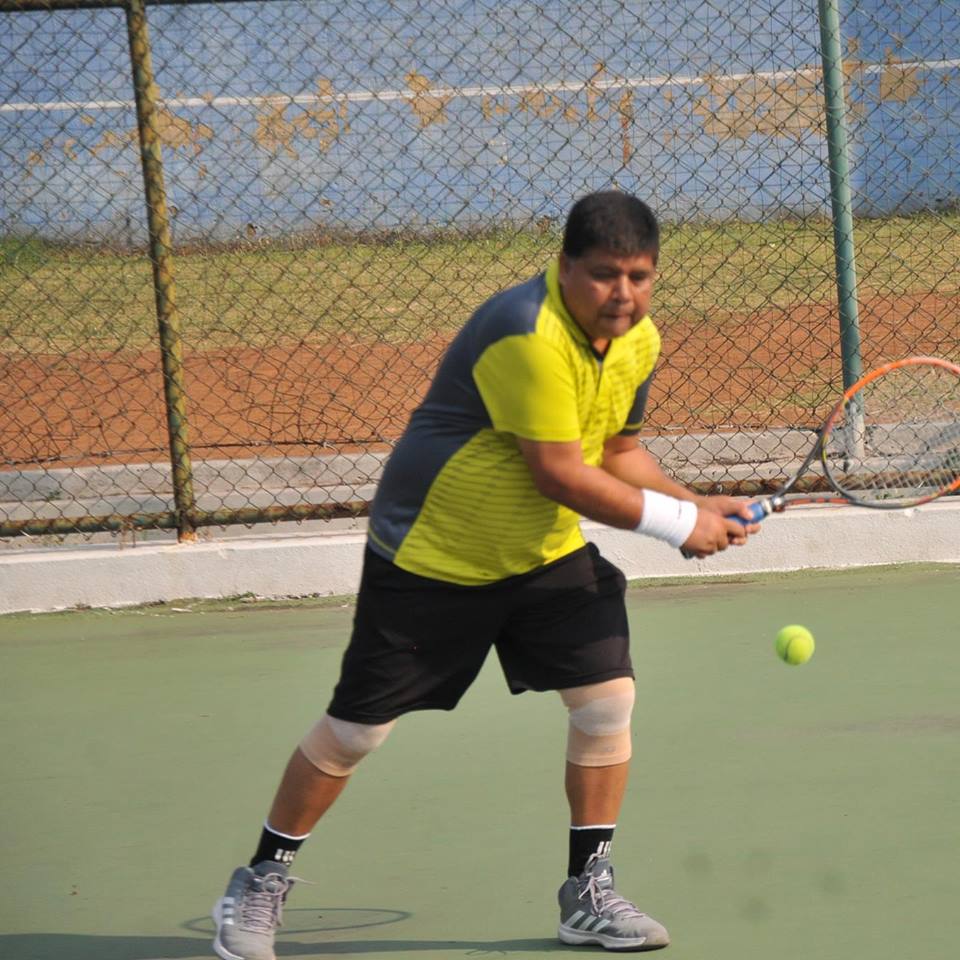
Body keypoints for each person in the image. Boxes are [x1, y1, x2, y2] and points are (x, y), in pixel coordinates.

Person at [211, 191, 757, 959]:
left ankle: (587, 891)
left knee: (606, 700)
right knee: (355, 732)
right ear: (565, 267)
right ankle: (260, 879)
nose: (623, 293)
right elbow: (559, 473)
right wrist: (676, 526)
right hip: (435, 554)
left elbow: (617, 450)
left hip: (541, 550)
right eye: (604, 274)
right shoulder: (527, 333)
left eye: (639, 276)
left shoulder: (638, 340)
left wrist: (696, 503)